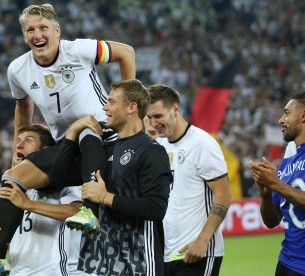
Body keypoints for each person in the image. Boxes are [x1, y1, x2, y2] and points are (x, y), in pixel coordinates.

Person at [0, 3, 135, 274]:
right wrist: (19, 145)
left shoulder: (77, 50)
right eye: (30, 30)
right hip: (65, 146)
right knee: (13, 176)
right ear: (24, 36)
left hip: (103, 137)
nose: (37, 34)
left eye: (43, 28)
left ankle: (90, 211)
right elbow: (22, 106)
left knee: (87, 128)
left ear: (57, 31)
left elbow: (126, 52)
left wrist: (129, 104)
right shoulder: (18, 69)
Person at [77, 79, 172, 275]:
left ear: (132, 107)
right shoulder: (103, 147)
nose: (105, 107)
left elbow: (156, 208)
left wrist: (105, 198)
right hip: (102, 263)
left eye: (111, 102)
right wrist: (73, 130)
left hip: (139, 263)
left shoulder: (151, 151)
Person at [146, 84, 232, 276]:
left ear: (175, 109)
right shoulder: (157, 145)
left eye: (158, 116)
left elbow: (224, 194)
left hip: (197, 253)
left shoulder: (201, 142)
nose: (152, 123)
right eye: (149, 117)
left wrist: (202, 240)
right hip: (165, 254)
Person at [0, 124, 86, 276]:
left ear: (46, 154)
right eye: (18, 140)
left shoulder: (64, 184)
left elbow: (79, 213)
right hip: (16, 271)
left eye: (29, 141)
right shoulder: (10, 190)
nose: (19, 144)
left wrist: (29, 204)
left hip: (53, 272)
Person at [249, 91, 305, 276]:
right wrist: (265, 195)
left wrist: (275, 182)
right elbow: (272, 221)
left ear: (303, 116)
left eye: (287, 113)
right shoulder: (286, 164)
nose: (281, 120)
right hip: (286, 263)